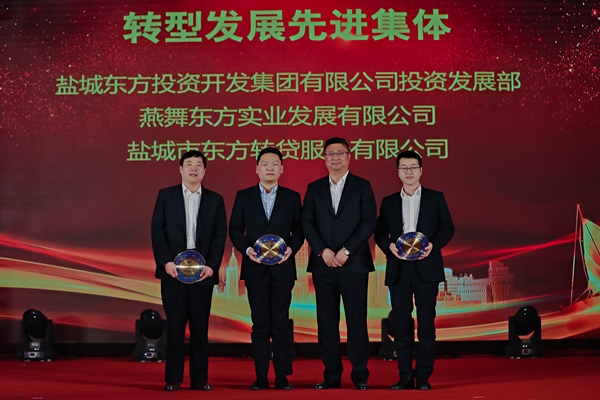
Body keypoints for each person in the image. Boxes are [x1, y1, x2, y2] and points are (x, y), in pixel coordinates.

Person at [374, 150, 454, 391]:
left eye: (413, 167)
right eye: (404, 167)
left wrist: (433, 245)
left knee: (426, 323)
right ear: (398, 172)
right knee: (401, 324)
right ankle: (405, 375)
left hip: (426, 267)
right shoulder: (389, 201)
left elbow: (447, 228)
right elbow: (379, 233)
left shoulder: (435, 198)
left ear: (421, 170)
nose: (408, 171)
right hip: (399, 268)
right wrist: (389, 247)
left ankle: (424, 376)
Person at [301, 137, 377, 391]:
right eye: (330, 153)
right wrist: (322, 250)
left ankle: (360, 375)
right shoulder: (314, 188)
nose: (335, 157)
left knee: (357, 321)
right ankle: (332, 375)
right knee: (326, 322)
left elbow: (369, 221)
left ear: (349, 157)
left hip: (354, 264)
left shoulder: (362, 186)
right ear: (324, 159)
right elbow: (306, 222)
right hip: (323, 264)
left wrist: (346, 250)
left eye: (340, 153)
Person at [151, 150, 227, 392]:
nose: (194, 168)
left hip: (203, 272)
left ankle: (199, 379)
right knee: (175, 327)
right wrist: (166, 262)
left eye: (198, 165)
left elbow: (219, 236)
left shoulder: (215, 200)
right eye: (189, 164)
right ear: (180, 169)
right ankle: (173, 379)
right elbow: (157, 231)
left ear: (204, 170)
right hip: (174, 271)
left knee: (200, 327)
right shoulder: (166, 196)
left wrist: (212, 265)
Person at [229, 147, 304, 391]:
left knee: (280, 323)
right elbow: (235, 229)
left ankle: (282, 376)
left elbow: (300, 229)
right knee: (260, 324)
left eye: (274, 164)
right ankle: (261, 376)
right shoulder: (244, 196)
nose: (269, 168)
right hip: (255, 269)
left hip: (282, 269)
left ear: (281, 168)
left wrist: (291, 249)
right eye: (265, 164)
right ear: (257, 168)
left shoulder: (292, 197)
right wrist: (247, 250)